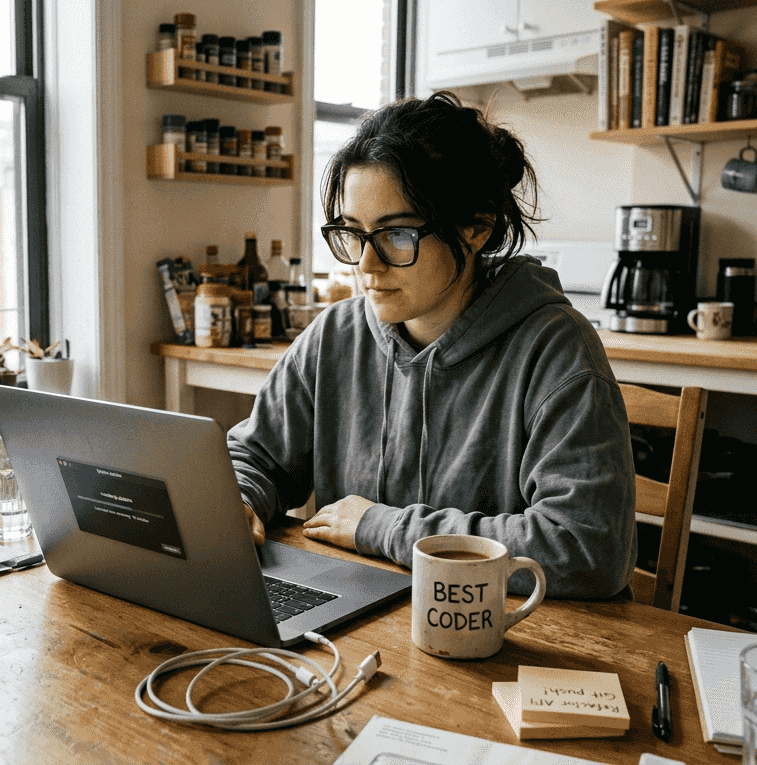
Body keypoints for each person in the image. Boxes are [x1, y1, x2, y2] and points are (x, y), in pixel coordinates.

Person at [227, 92, 635, 599]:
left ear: (476, 227)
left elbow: (587, 548)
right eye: (352, 233)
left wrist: (386, 527)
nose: (365, 267)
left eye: (396, 234)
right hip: (365, 623)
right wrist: (238, 501)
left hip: (510, 635)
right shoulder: (334, 335)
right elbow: (256, 456)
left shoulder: (556, 350)